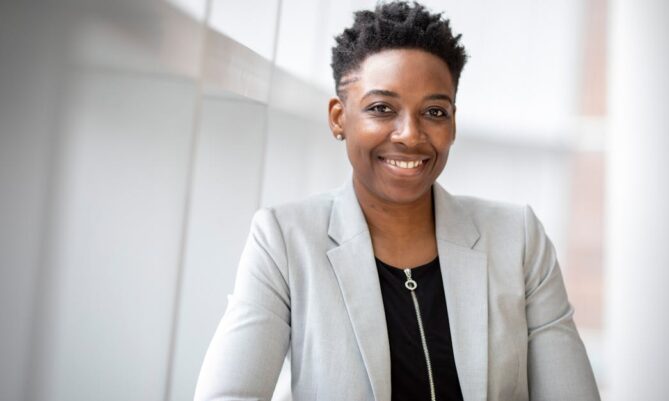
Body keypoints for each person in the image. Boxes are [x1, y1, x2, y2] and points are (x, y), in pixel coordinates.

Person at [194, 2, 600, 400]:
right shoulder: (285, 240)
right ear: (339, 117)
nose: (410, 134)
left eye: (435, 112)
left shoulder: (518, 239)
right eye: (381, 108)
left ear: (453, 123)